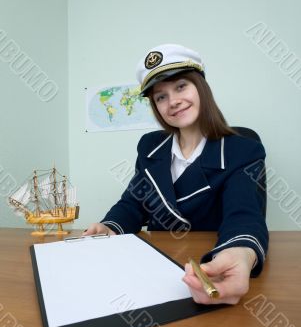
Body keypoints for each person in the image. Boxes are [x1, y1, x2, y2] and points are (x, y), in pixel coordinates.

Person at [84, 44, 269, 305]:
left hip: (206, 268)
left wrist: (239, 252)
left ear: (201, 87)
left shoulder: (242, 150)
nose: (173, 102)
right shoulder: (150, 147)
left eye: (181, 86)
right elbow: (133, 203)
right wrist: (109, 227)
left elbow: (244, 215)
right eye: (160, 97)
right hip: (151, 271)